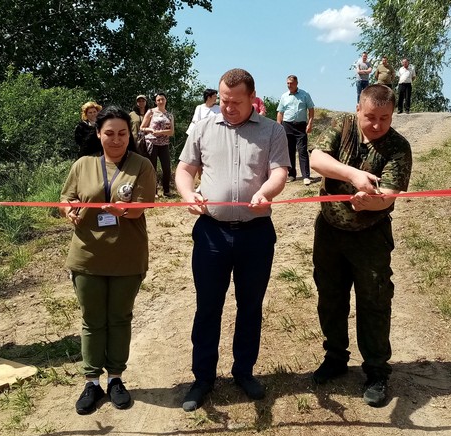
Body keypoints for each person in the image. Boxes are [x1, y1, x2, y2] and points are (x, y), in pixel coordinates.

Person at [175, 68, 290, 412]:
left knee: (250, 306)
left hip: (256, 235)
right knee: (208, 306)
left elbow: (280, 171)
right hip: (211, 233)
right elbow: (184, 169)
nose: (227, 107)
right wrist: (187, 194)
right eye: (223, 101)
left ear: (253, 99)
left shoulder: (272, 130)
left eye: (235, 102)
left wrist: (266, 191)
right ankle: (203, 378)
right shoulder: (203, 127)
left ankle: (244, 371)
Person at [309, 84, 412, 407]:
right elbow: (317, 159)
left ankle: (377, 371)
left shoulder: (398, 146)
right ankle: (335, 357)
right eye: (371, 117)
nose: (377, 124)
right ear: (358, 109)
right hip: (329, 231)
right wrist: (354, 176)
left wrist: (371, 204)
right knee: (330, 297)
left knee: (374, 301)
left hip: (371, 236)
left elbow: (391, 195)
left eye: (385, 118)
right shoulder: (340, 125)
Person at [59, 106, 157, 414]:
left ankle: (116, 378)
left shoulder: (141, 165)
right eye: (109, 134)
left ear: (130, 134)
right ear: (99, 134)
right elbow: (66, 198)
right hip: (87, 256)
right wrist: (69, 209)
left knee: (119, 318)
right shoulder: (83, 165)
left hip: (127, 256)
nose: (116, 140)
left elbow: (141, 207)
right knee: (92, 320)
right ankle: (91, 382)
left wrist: (121, 211)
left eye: (122, 134)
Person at [276, 75, 315, 185]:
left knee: (302, 150)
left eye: (291, 83)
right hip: (287, 125)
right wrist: (279, 126)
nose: (289, 85)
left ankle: (306, 176)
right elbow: (280, 112)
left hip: (301, 126)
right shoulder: (284, 96)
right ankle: (292, 174)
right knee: (289, 151)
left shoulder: (304, 95)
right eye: (288, 83)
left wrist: (310, 123)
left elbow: (311, 109)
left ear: (296, 83)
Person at [140, 93, 174, 197]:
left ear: (166, 100)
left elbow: (171, 132)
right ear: (156, 102)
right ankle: (153, 191)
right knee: (152, 168)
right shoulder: (150, 112)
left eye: (162, 99)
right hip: (152, 143)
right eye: (158, 100)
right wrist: (150, 130)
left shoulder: (169, 115)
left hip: (164, 144)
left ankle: (166, 191)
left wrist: (160, 132)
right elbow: (142, 127)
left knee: (166, 168)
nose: (160, 101)